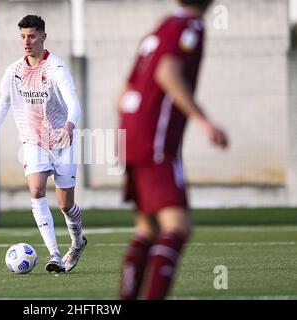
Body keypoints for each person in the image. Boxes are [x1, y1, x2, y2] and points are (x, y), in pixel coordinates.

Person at [117, 0, 228, 299]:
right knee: (178, 225)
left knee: (147, 228)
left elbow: (123, 93)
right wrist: (204, 122)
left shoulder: (163, 26)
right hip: (156, 141)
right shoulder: (188, 26)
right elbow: (167, 72)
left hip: (131, 135)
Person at [0, 15, 87, 273]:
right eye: (23, 36)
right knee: (36, 191)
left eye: (32, 36)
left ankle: (78, 242)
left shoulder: (56, 68)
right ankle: (55, 255)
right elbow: (5, 102)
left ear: (43, 37)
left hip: (62, 141)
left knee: (65, 205)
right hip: (33, 140)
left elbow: (74, 104)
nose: (26, 41)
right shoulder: (14, 71)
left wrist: (69, 125)